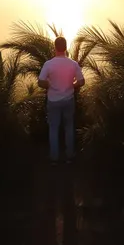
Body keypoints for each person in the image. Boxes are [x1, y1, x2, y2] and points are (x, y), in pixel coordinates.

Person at [38, 36, 85, 164]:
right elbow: (81, 81)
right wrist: (72, 85)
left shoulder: (49, 64)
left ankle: (54, 158)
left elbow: (40, 82)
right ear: (65, 47)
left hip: (53, 101)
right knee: (69, 127)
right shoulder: (73, 64)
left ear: (55, 47)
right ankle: (69, 156)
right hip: (68, 100)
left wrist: (51, 85)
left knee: (53, 129)